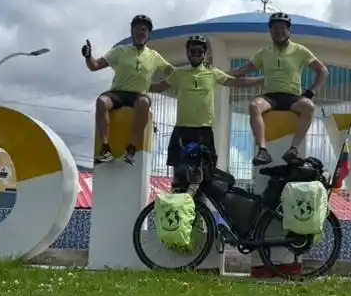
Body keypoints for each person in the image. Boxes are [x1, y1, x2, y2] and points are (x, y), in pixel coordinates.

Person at [150, 35, 262, 186]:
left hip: (204, 131)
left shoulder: (212, 72)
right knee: (180, 175)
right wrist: (135, 85)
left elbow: (236, 82)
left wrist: (262, 80)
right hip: (182, 130)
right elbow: (158, 87)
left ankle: (201, 201)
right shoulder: (178, 73)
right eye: (193, 51)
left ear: (204, 53)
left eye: (199, 51)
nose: (196, 54)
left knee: (206, 175)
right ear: (187, 52)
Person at [227, 12, 329, 165]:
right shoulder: (264, 52)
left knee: (309, 106)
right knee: (254, 105)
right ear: (270, 31)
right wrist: (216, 73)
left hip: (292, 98)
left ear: (289, 30)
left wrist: (311, 92)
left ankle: (293, 149)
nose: (279, 31)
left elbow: (323, 71)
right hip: (270, 97)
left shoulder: (300, 50)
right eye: (275, 28)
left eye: (282, 28)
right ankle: (263, 151)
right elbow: (242, 71)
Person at [82, 14, 173, 164]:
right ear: (132, 32)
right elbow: (95, 66)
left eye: (144, 30)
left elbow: (173, 73)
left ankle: (131, 150)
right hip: (117, 93)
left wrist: (161, 85)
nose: (141, 32)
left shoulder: (154, 56)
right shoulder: (120, 51)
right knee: (101, 102)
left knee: (144, 103)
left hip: (138, 96)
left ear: (148, 34)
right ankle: (105, 150)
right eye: (138, 29)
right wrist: (88, 56)